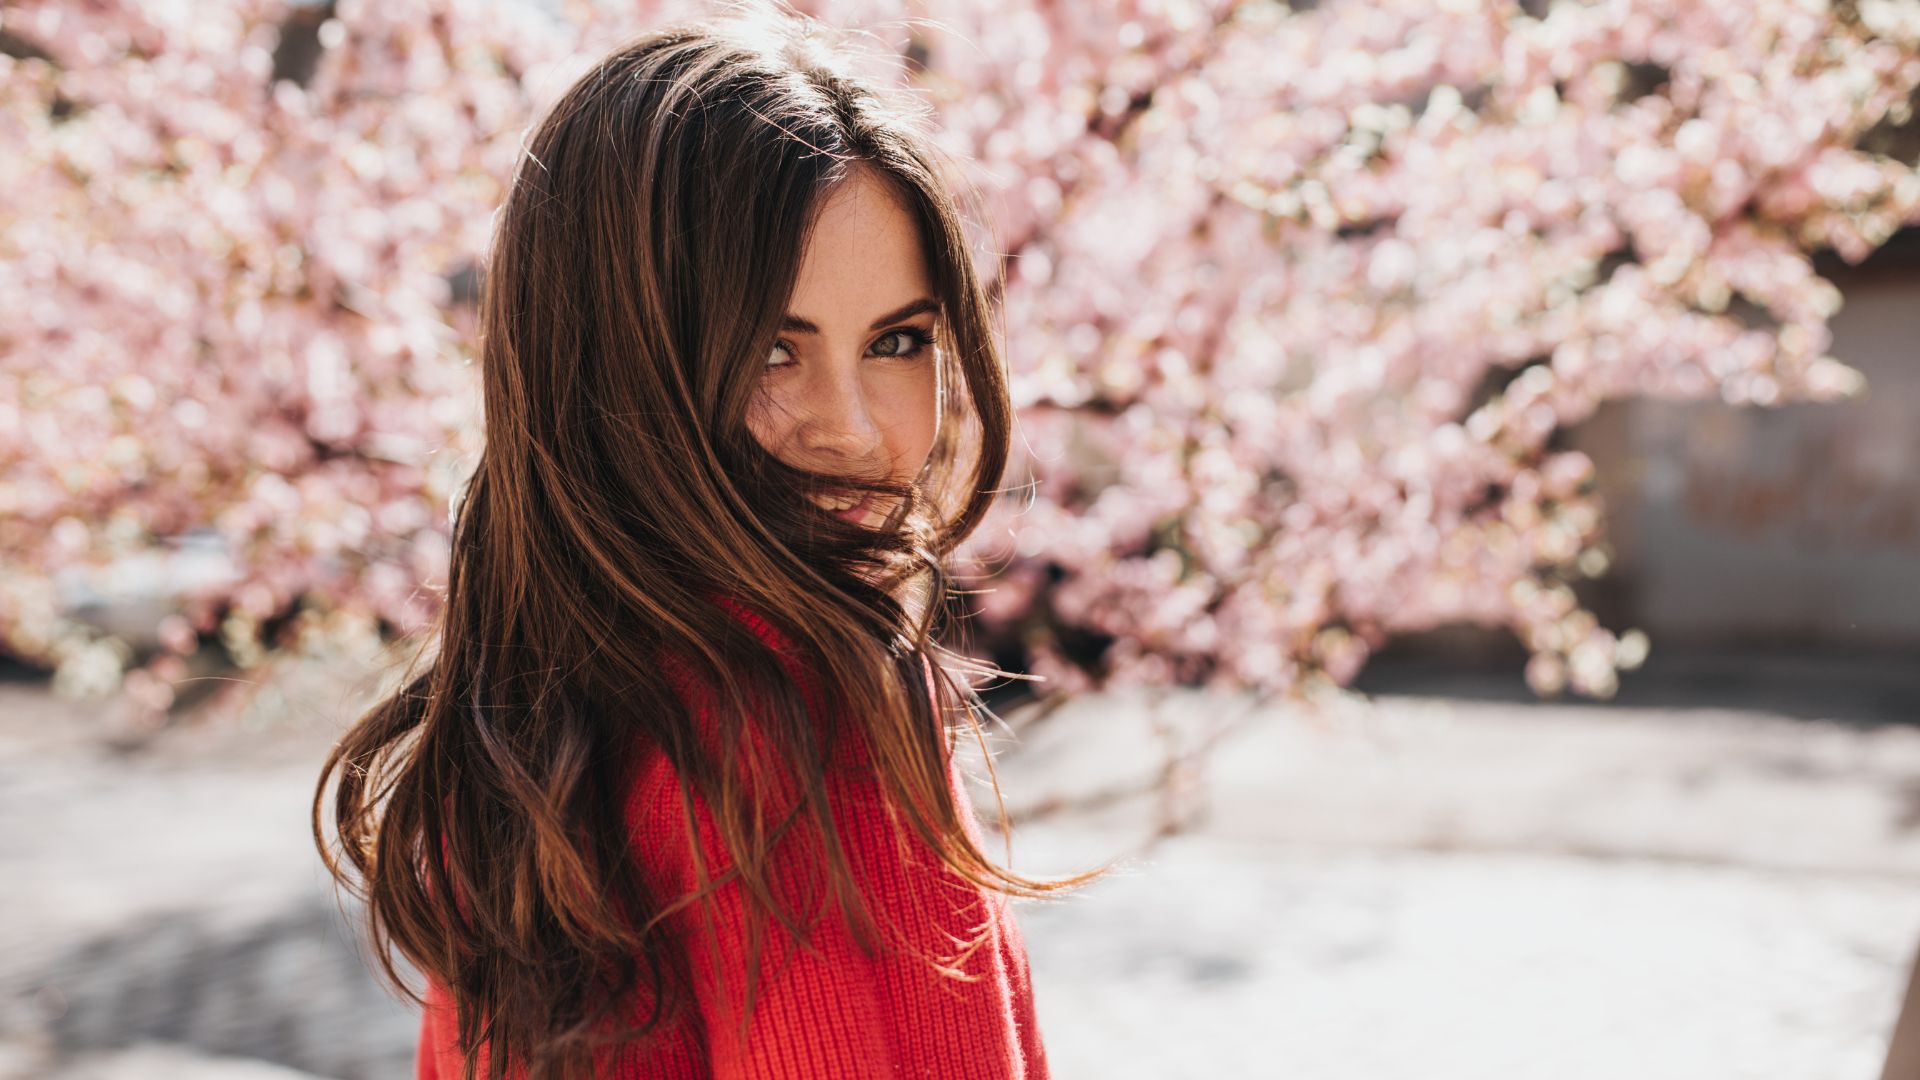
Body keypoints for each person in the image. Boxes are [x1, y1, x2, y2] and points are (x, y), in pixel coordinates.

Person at [311, 9, 1113, 1079]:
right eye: (773, 351)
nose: (853, 429)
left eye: (898, 340)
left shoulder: (515, 732)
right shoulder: (802, 708)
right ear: (613, 368)